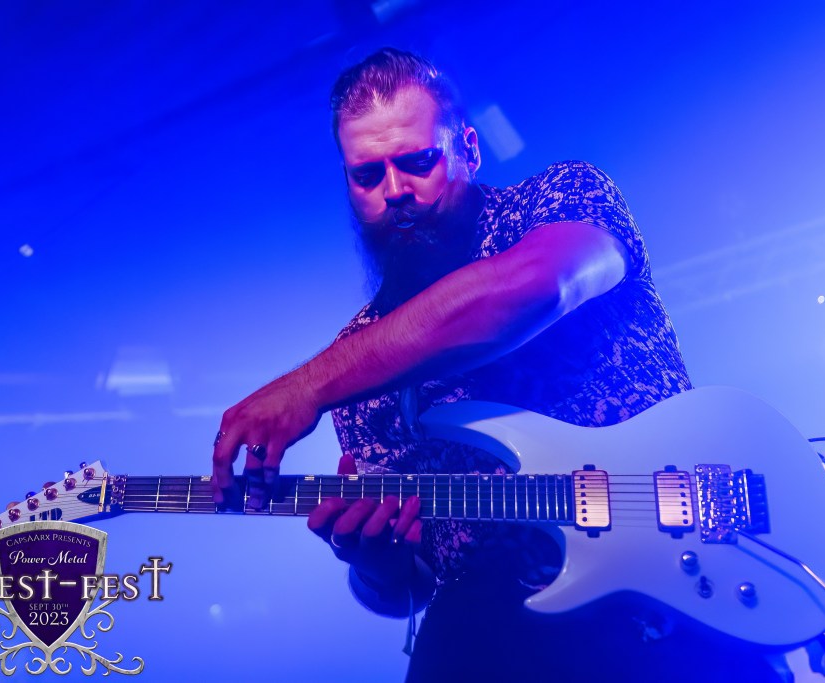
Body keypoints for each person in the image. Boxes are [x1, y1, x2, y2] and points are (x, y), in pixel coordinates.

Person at [210, 48, 779, 681]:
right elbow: (414, 584)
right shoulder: (359, 362)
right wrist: (374, 562)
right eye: (367, 176)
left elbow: (538, 286)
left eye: (417, 162)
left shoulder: (560, 197)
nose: (395, 192)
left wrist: (310, 385)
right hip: (504, 636)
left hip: (678, 576)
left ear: (468, 149)